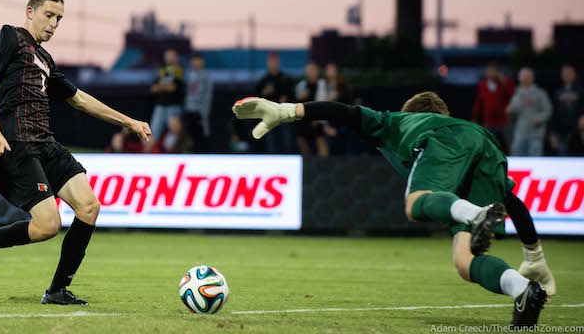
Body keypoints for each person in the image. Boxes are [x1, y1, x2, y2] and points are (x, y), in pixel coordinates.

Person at [233, 93, 556, 327]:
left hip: (446, 145)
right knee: (464, 262)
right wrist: (533, 255)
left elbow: (344, 111)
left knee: (416, 203)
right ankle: (525, 290)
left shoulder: (397, 122)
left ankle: (474, 214)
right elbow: (511, 201)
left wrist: (286, 111)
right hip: (489, 147)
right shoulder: (464, 130)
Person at [0, 0, 151, 305]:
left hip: (46, 144)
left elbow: (80, 99)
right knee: (48, 225)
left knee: (89, 207)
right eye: (48, 15)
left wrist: (128, 121)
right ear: (30, 12)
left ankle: (56, 290)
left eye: (59, 18)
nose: (53, 24)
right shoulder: (10, 36)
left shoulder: (46, 60)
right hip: (17, 143)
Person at [507, 68, 552, 156]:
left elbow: (548, 110)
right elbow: (512, 115)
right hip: (520, 133)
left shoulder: (540, 93)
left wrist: (540, 118)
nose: (525, 78)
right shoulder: (516, 94)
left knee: (535, 162)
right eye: (523, 76)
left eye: (528, 76)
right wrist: (510, 112)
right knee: (518, 161)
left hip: (535, 134)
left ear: (532, 78)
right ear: (519, 78)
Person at [255, 52, 293, 153]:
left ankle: (287, 162)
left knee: (286, 142)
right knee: (270, 143)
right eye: (271, 61)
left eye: (275, 61)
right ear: (268, 63)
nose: (273, 63)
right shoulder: (263, 81)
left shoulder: (285, 79)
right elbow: (256, 100)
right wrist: (264, 93)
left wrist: (285, 100)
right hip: (269, 117)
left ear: (279, 62)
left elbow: (291, 97)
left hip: (284, 116)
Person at [472, 62, 515, 153]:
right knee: (488, 143)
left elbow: (512, 95)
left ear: (497, 72)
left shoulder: (505, 82)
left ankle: (513, 161)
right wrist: (475, 117)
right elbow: (479, 102)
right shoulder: (483, 85)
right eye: (488, 71)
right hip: (489, 120)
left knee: (510, 143)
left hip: (504, 120)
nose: (490, 73)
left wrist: (503, 82)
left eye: (492, 71)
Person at [294, 62, 329, 157]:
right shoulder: (301, 86)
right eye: (309, 71)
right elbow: (295, 105)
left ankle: (323, 165)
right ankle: (307, 161)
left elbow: (326, 103)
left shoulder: (323, 85)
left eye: (313, 70)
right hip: (305, 120)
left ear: (317, 71)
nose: (311, 73)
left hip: (320, 119)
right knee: (299, 133)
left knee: (320, 132)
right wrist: (299, 98)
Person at [150, 49, 185, 141]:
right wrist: (165, 87)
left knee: (174, 135)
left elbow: (173, 87)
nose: (168, 58)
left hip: (173, 107)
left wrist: (160, 87)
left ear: (176, 58)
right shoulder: (161, 71)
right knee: (152, 134)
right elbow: (153, 88)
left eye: (171, 56)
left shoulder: (179, 71)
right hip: (160, 106)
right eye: (167, 56)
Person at [550, 65, 583, 156]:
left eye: (569, 73)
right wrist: (552, 132)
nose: (567, 75)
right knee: (562, 154)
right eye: (565, 73)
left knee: (577, 155)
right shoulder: (557, 92)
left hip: (576, 130)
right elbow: (553, 112)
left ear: (574, 74)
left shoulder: (580, 91)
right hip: (560, 130)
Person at [184, 52, 213, 152]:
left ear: (202, 62)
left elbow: (207, 95)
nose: (196, 63)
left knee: (202, 136)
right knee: (190, 137)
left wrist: (204, 112)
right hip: (189, 110)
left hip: (200, 111)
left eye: (198, 61)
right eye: (194, 61)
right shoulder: (188, 75)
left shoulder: (206, 76)